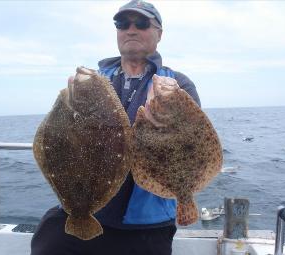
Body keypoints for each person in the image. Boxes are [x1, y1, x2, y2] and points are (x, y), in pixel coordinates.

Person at [31, 1, 200, 255]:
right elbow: (58, 137)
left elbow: (191, 145)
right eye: (122, 24)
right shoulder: (95, 80)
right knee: (46, 242)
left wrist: (163, 123)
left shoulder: (177, 84)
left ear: (159, 34)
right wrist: (68, 102)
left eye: (141, 23)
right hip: (90, 209)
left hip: (147, 223)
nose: (131, 30)